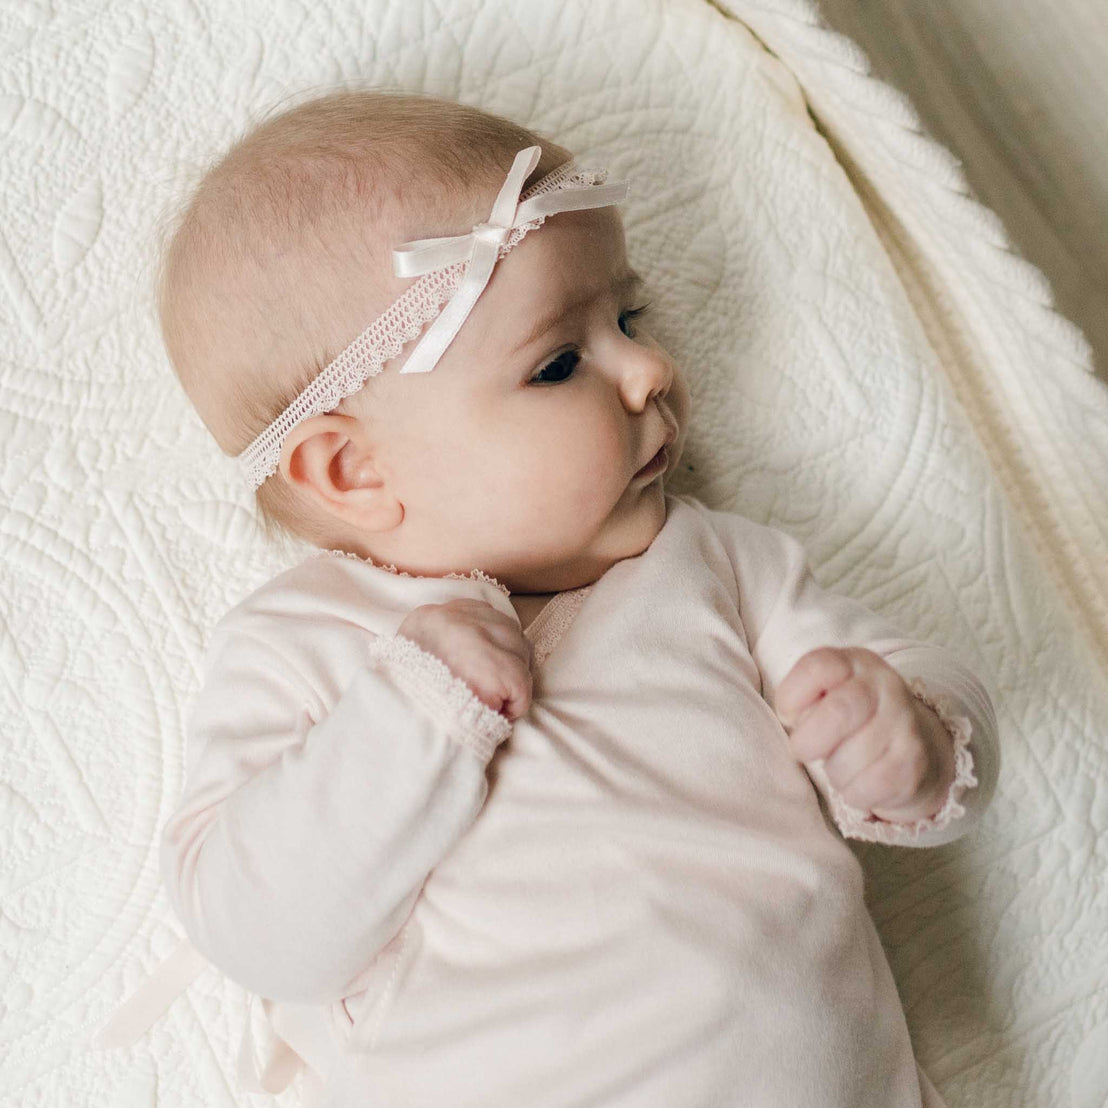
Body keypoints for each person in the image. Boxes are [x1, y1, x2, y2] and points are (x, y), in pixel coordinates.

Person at [147, 89, 998, 1106]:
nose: (648, 369)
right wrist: (414, 712)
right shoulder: (309, 644)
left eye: (630, 317)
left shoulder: (720, 565)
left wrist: (908, 735)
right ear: (353, 472)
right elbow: (260, 932)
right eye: (559, 362)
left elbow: (918, 693)